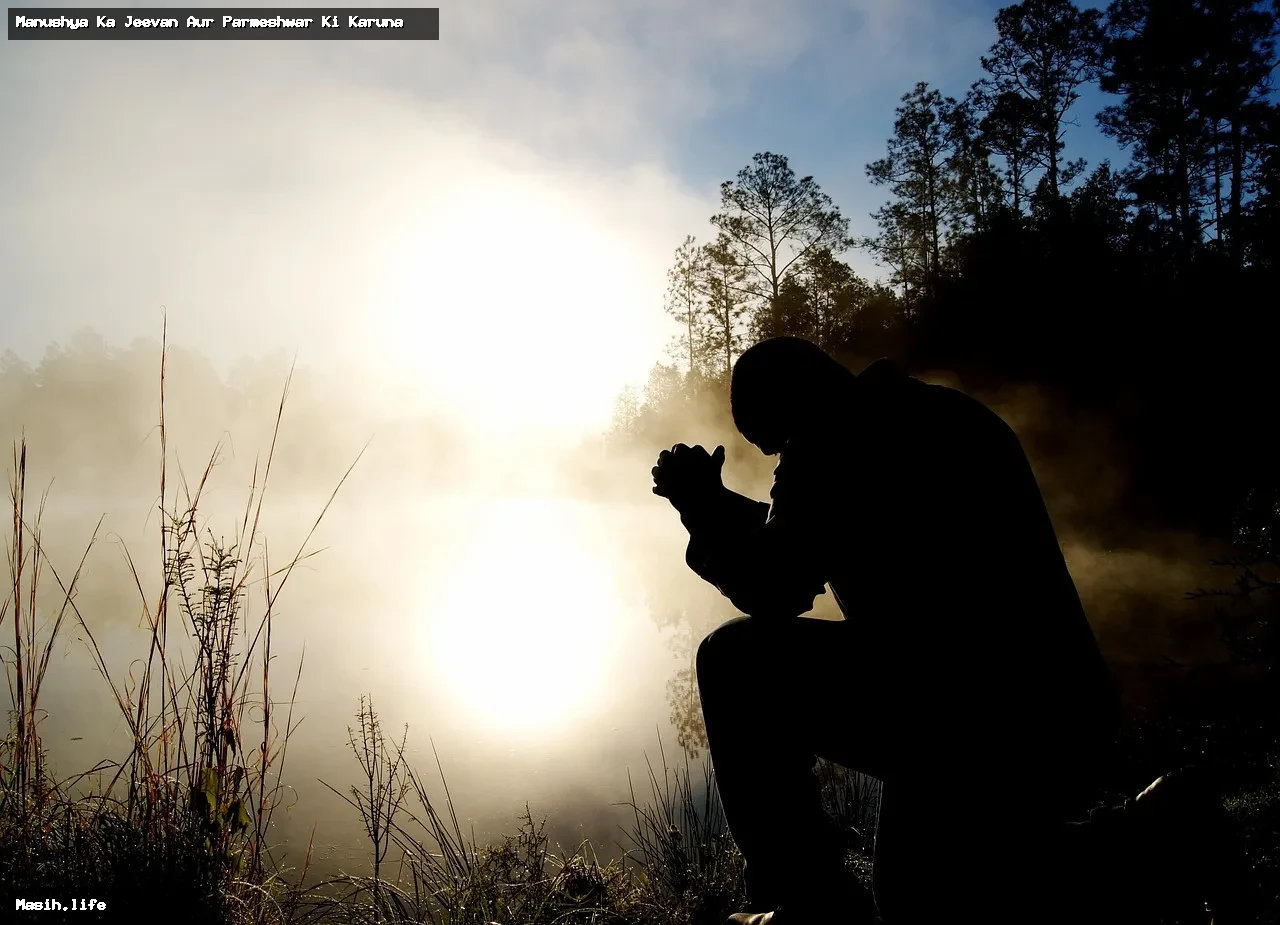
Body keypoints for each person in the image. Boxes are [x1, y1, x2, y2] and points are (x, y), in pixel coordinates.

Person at [651, 337, 1242, 924]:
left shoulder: (833, 442)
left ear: (795, 406)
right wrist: (721, 506)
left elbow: (775, 586)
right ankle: (1159, 832)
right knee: (921, 893)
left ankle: (804, 900)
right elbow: (811, 534)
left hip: (966, 714)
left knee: (735, 663)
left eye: (779, 445)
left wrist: (701, 508)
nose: (782, 462)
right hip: (1058, 711)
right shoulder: (936, 414)